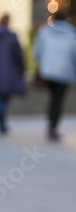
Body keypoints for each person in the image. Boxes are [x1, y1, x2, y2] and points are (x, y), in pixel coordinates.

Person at [33, 9, 76, 142]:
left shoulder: (44, 32)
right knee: (58, 99)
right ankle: (53, 126)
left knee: (53, 98)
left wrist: (45, 64)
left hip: (48, 72)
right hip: (64, 72)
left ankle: (51, 123)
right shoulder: (71, 33)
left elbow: (37, 52)